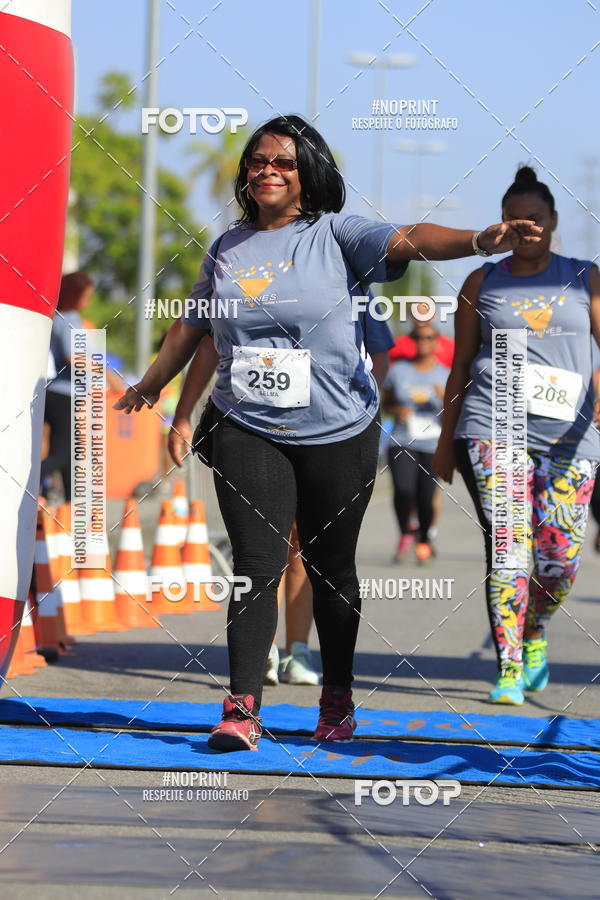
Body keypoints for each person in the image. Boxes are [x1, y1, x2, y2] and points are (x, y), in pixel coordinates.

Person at [116, 115, 540, 751]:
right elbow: (194, 326)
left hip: (338, 431)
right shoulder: (228, 246)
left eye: (284, 162)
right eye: (258, 160)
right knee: (256, 563)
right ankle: (241, 707)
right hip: (246, 424)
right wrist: (157, 387)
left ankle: (336, 696)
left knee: (330, 566)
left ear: (308, 174)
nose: (267, 170)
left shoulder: (339, 234)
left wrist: (480, 238)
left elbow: (409, 238)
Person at [433, 165, 600, 706]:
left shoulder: (584, 277)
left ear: (553, 221)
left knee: (559, 560)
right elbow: (459, 365)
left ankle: (534, 630)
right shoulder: (482, 281)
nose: (526, 226)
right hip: (493, 428)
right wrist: (445, 440)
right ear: (501, 223)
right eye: (515, 218)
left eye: (535, 218)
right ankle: (508, 667)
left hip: (571, 436)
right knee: (509, 551)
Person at [168, 329, 393, 688]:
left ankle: (298, 651)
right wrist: (182, 412)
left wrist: (357, 411)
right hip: (255, 427)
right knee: (261, 551)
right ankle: (263, 655)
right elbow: (203, 338)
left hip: (327, 430)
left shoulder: (350, 294)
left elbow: (379, 352)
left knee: (305, 546)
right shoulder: (232, 293)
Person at [383, 324, 448, 564]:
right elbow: (385, 403)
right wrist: (396, 410)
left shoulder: (445, 374)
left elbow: (456, 413)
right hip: (402, 440)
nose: (423, 342)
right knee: (403, 489)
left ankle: (424, 539)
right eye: (418, 337)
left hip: (432, 443)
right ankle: (405, 533)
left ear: (436, 342)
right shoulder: (399, 371)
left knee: (426, 496)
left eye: (429, 337)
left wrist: (445, 399)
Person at [41, 272, 94, 501]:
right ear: (75, 294)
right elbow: (72, 355)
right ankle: (26, 482)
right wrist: (102, 371)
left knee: (70, 453)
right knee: (64, 454)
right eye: (86, 296)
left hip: (58, 393)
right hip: (65, 395)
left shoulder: (58, 317)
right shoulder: (69, 318)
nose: (88, 302)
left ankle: (72, 504)